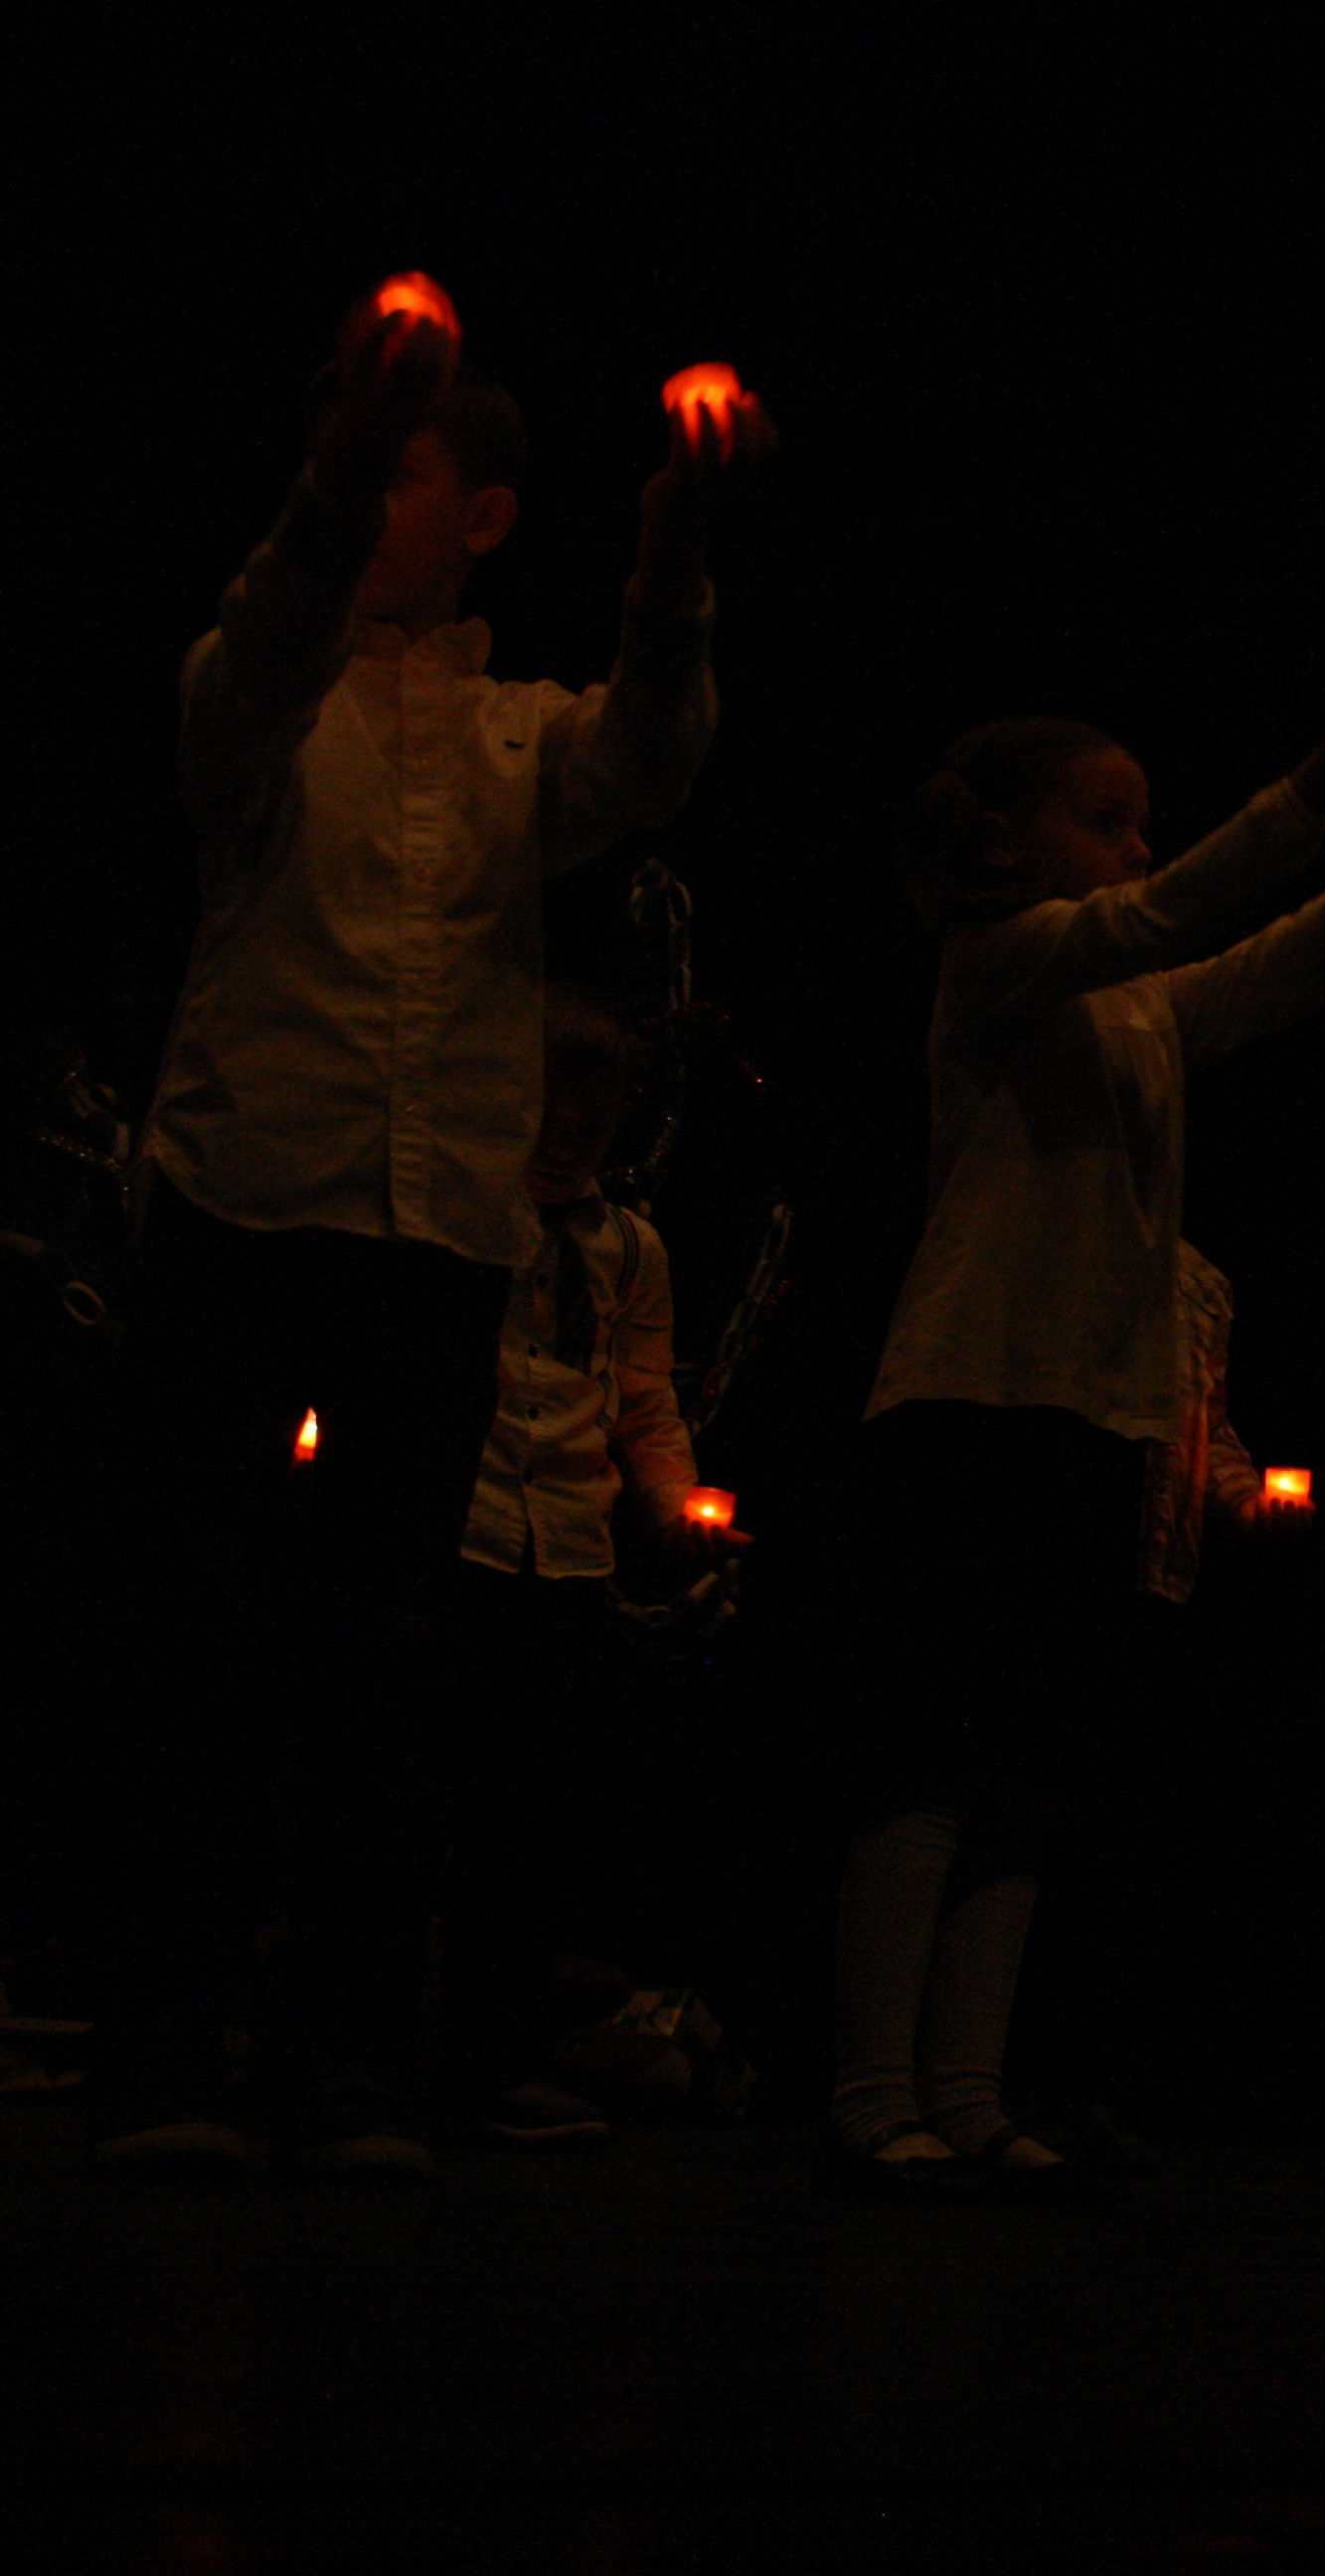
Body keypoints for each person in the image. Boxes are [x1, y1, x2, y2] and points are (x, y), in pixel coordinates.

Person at [97, 275, 764, 2178]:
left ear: (482, 516)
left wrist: (678, 536)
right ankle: (164, 2058)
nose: (357, 493)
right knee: (200, 1633)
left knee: (385, 1655)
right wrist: (334, 470)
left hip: (434, 1233)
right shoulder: (253, 689)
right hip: (245, 1193)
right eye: (344, 464)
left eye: (393, 470)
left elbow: (653, 753)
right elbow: (262, 647)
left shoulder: (520, 737)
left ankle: (341, 2068)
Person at [832, 644, 1325, 2200]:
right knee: (932, 1763)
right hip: (972, 1398)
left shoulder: (1136, 1010)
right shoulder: (1000, 962)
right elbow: (1178, 910)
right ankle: (869, 2089)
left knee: (1026, 1772)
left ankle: (966, 2090)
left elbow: (1289, 959)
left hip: (1094, 1414)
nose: (1136, 846)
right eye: (1106, 818)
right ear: (1003, 841)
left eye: (1141, 821)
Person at [444, 983, 744, 2146]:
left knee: (532, 1816)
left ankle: (499, 2057)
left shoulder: (628, 1248)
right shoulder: (467, 1216)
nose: (570, 1137)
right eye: (550, 1111)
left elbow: (643, 1399)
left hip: (566, 1547)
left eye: (594, 1119)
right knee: (434, 1792)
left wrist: (675, 1511)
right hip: (462, 1528)